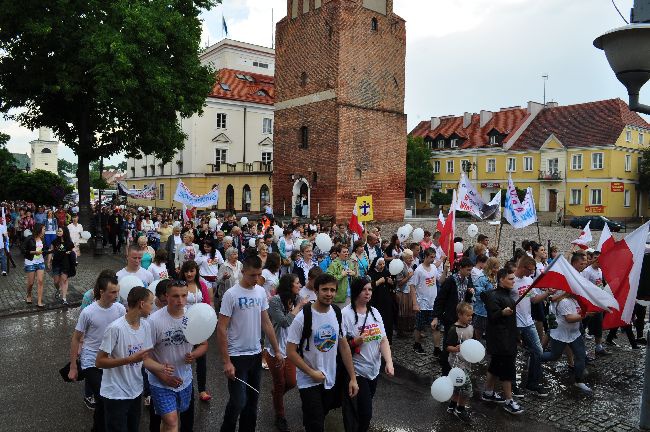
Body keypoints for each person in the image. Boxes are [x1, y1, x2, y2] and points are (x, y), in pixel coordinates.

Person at [217, 255, 283, 432]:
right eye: (253, 275)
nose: (256, 279)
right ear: (243, 271)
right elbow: (221, 328)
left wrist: (276, 349)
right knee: (239, 401)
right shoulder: (231, 295)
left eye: (259, 275)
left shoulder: (260, 292)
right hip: (237, 356)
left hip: (255, 354)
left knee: (252, 403)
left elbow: (267, 322)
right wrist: (226, 361)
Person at [286, 273, 359, 432]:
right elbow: (291, 352)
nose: (329, 293)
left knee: (321, 415)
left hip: (329, 378)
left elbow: (344, 346)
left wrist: (353, 378)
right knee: (316, 424)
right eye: (324, 289)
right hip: (308, 379)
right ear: (316, 291)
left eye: (332, 290)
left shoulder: (336, 313)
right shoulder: (303, 317)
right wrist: (311, 372)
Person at [68, 272, 126, 431]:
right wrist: (73, 367)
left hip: (111, 361)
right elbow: (76, 338)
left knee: (105, 401)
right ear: (101, 292)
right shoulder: (88, 312)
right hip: (91, 362)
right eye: (112, 292)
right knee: (103, 398)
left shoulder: (120, 309)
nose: (116, 295)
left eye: (117, 292)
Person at [147, 280, 208, 432]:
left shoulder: (193, 316)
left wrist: (193, 355)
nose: (180, 301)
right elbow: (144, 357)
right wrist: (163, 376)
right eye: (175, 296)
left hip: (185, 380)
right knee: (172, 421)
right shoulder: (154, 321)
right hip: (160, 382)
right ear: (166, 296)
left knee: (168, 422)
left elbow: (204, 345)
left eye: (183, 296)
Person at [96, 287, 158, 432]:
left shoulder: (146, 325)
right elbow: (99, 362)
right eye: (151, 303)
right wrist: (129, 360)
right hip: (115, 394)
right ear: (142, 304)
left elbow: (144, 359)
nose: (153, 306)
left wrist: (163, 368)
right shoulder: (115, 328)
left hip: (135, 392)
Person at [341, 277, 394, 432]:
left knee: (363, 410)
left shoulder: (375, 312)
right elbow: (342, 346)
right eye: (364, 289)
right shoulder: (346, 314)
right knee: (365, 413)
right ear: (357, 291)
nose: (368, 292)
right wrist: (355, 342)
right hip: (357, 371)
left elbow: (383, 340)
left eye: (370, 289)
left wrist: (389, 362)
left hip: (374, 370)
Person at [265, 273, 309, 431]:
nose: (300, 285)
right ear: (289, 285)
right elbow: (284, 322)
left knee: (291, 382)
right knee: (280, 382)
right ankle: (280, 416)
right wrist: (299, 307)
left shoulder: (297, 299)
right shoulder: (275, 301)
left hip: (290, 348)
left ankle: (276, 394)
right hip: (274, 348)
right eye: (297, 283)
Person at [482, 268, 523, 415]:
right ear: (501, 280)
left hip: (508, 337)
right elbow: (492, 316)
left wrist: (517, 336)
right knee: (507, 369)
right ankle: (509, 400)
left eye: (514, 278)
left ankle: (487, 392)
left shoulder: (507, 295)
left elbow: (512, 321)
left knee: (495, 366)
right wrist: (502, 312)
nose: (514, 281)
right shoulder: (493, 296)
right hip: (500, 339)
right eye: (511, 279)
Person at [509, 256, 550, 397]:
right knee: (511, 355)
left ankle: (532, 384)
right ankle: (512, 385)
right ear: (523, 267)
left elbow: (534, 299)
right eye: (530, 270)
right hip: (514, 324)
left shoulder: (529, 280)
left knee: (538, 351)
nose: (532, 273)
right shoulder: (511, 280)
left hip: (528, 322)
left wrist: (546, 293)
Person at [541, 290, 593, 394]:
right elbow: (569, 318)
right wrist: (586, 314)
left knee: (581, 355)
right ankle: (535, 357)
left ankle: (578, 381)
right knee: (554, 356)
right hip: (560, 333)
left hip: (574, 333)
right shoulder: (565, 301)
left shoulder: (578, 300)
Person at [432, 257, 473, 374]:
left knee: (460, 342)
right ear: (461, 268)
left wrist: (470, 293)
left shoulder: (467, 280)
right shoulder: (451, 280)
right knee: (449, 342)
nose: (469, 273)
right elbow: (440, 299)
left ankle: (458, 365)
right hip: (450, 316)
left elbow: (467, 297)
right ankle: (445, 368)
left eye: (470, 270)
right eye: (468, 270)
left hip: (462, 316)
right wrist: (436, 316)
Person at [179, 260, 213, 402]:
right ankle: (181, 388)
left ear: (196, 271)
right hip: (183, 325)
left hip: (199, 327)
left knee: (201, 359)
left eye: (192, 271)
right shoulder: (180, 286)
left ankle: (202, 389)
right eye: (186, 271)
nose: (189, 274)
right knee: (183, 357)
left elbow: (207, 303)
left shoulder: (202, 285)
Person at [410, 248, 444, 355]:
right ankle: (417, 344)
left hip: (433, 304)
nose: (433, 260)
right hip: (422, 304)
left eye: (434, 257)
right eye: (431, 257)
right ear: (425, 256)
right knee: (419, 327)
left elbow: (441, 280)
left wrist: (446, 271)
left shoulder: (434, 267)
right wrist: (415, 303)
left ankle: (437, 349)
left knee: (436, 327)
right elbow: (412, 286)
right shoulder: (419, 270)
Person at [445, 302, 475, 422]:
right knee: (467, 387)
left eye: (471, 315)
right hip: (457, 363)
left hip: (467, 361)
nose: (470, 318)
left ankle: (452, 405)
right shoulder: (454, 329)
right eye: (468, 315)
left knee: (458, 385)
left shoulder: (471, 327)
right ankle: (460, 409)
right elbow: (447, 347)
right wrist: (455, 348)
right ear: (459, 315)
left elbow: (473, 343)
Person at [368, 257, 396, 344]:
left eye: (383, 264)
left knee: (388, 321)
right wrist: (378, 282)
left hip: (387, 301)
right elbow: (368, 288)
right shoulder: (370, 274)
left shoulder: (386, 272)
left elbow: (393, 286)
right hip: (376, 301)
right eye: (380, 264)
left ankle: (388, 341)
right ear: (376, 265)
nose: (382, 266)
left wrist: (392, 283)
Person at [473, 257, 500, 340]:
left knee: (491, 333)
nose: (497, 270)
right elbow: (479, 295)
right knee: (479, 333)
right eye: (495, 268)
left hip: (492, 310)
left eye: (498, 267)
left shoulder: (495, 278)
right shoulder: (482, 278)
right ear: (490, 267)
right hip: (481, 311)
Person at [23, 223, 47, 307]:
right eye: (44, 229)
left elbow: (45, 250)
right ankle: (29, 294)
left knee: (40, 281)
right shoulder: (29, 238)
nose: (45, 230)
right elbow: (23, 250)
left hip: (40, 262)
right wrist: (34, 252)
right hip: (30, 262)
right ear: (39, 229)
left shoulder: (43, 239)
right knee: (30, 283)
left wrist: (50, 251)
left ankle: (39, 301)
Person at [50, 226, 75, 305]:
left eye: (60, 231)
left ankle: (64, 299)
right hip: (56, 263)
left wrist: (71, 253)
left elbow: (73, 252)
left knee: (64, 279)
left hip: (65, 263)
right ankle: (58, 289)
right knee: (56, 281)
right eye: (58, 231)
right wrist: (48, 261)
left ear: (64, 232)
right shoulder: (54, 242)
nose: (58, 232)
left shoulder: (69, 243)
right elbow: (51, 251)